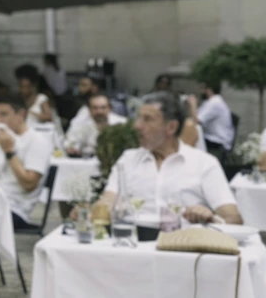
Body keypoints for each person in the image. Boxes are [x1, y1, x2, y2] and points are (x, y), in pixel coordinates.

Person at [95, 92, 241, 225]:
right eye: (139, 118)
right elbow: (107, 201)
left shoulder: (203, 163)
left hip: (184, 247)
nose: (137, 126)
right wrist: (90, 211)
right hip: (134, 245)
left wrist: (210, 217)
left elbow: (233, 219)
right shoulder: (128, 159)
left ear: (171, 127)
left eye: (147, 119)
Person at [0, 91, 52, 228]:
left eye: (4, 114)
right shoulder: (3, 138)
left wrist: (9, 152)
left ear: (21, 115)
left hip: (16, 208)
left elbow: (29, 184)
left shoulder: (37, 141)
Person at [196, 80, 235, 159]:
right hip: (211, 137)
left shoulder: (215, 103)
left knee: (193, 140)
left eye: (202, 88)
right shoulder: (209, 102)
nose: (200, 91)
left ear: (209, 89)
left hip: (219, 141)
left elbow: (197, 121)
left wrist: (193, 104)